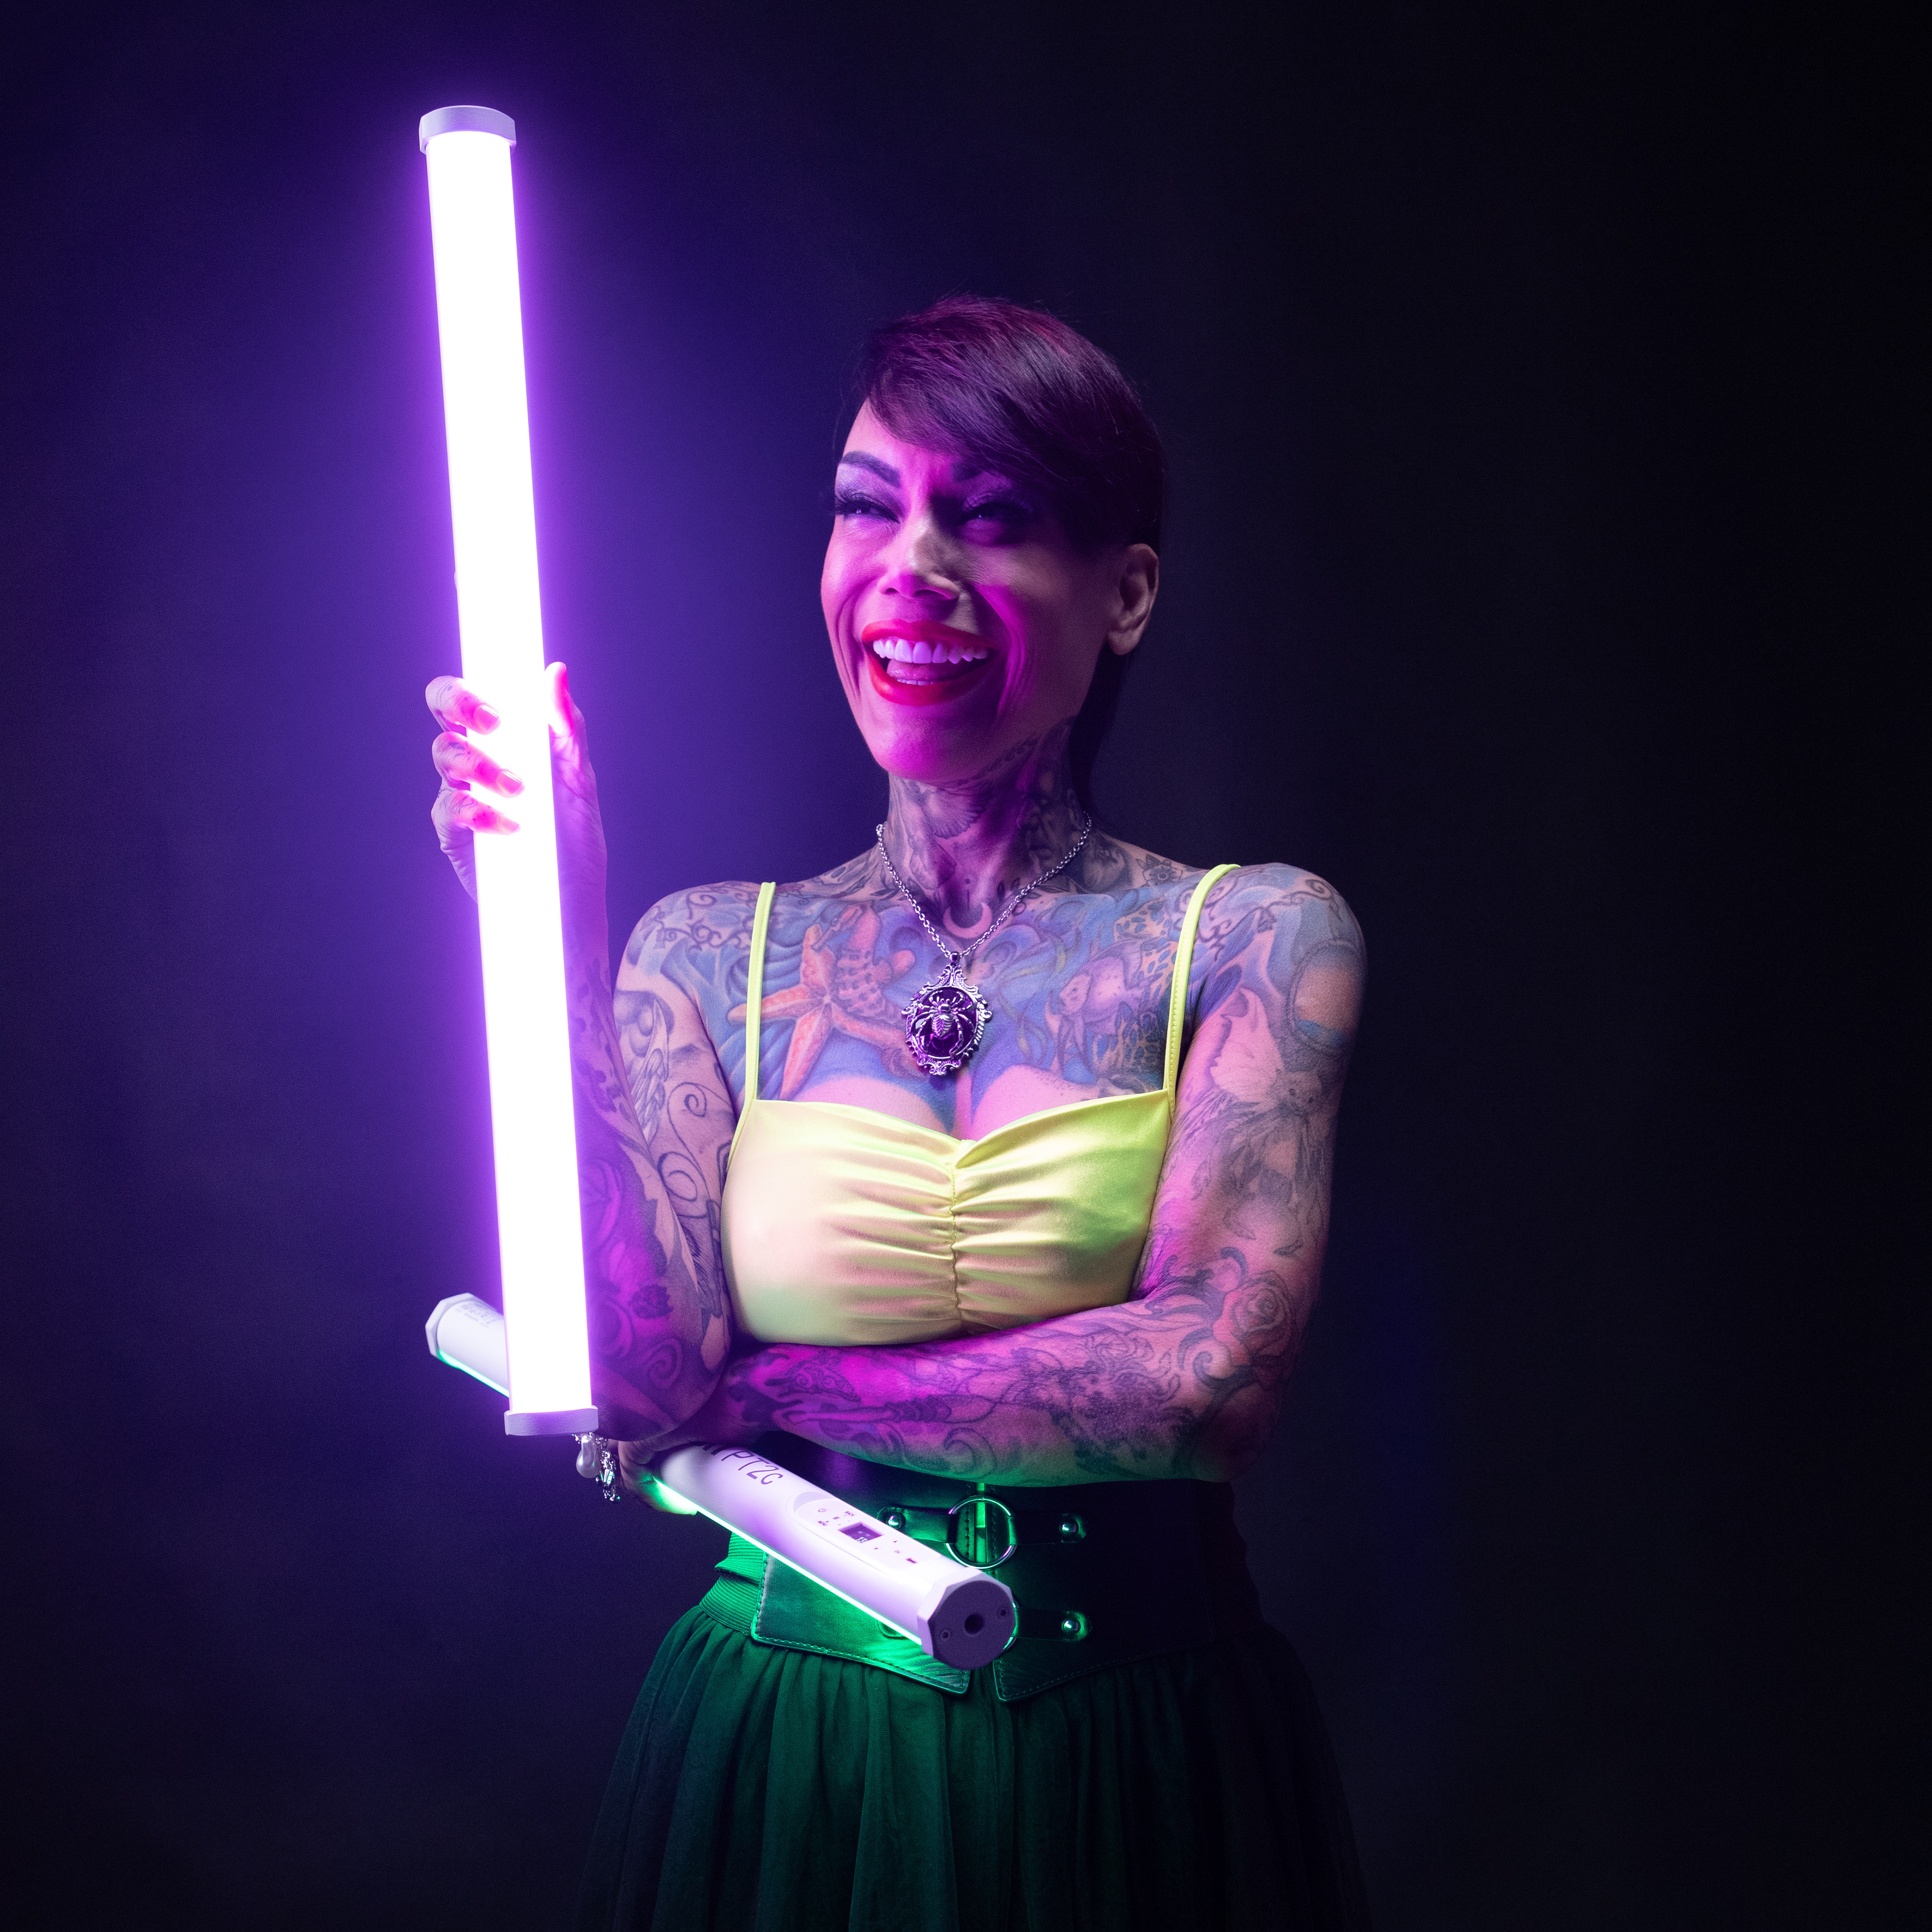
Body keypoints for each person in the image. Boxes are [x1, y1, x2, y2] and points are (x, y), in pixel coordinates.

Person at [427, 297, 1371, 1931]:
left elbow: (1207, 1380)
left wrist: (771, 1392)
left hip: (1139, 1751)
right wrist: (557, 936)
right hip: (792, 1753)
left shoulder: (1255, 938)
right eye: (868, 507)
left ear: (1126, 592)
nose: (910, 566)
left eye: (988, 519)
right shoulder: (706, 955)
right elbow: (635, 1377)